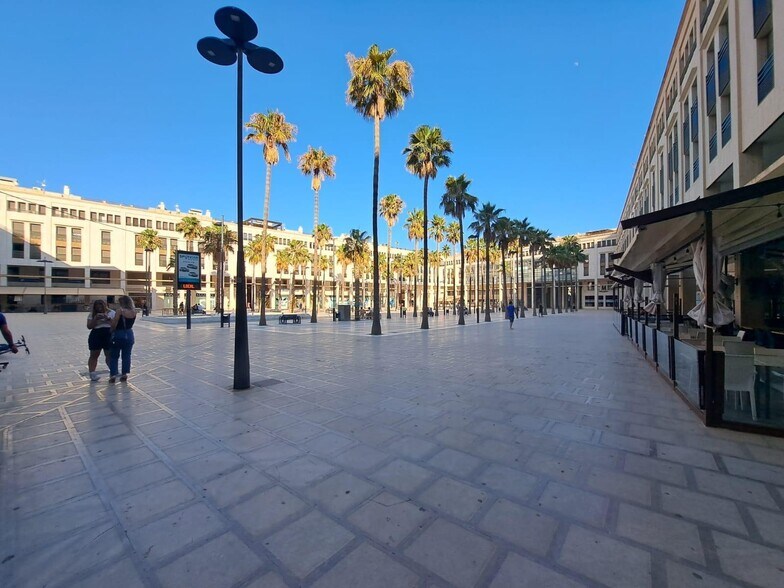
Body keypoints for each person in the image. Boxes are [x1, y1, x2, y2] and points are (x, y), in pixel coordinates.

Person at [109, 295, 136, 383]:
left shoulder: (120, 311)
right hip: (129, 334)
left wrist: (111, 329)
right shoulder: (134, 311)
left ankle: (113, 374)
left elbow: (115, 323)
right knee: (127, 355)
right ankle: (124, 374)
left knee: (114, 355)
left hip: (119, 333)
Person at [86, 299, 115, 381]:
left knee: (109, 354)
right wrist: (95, 319)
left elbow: (115, 325)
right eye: (97, 307)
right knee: (94, 354)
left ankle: (113, 371)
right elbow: (89, 326)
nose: (99, 309)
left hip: (108, 334)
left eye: (101, 307)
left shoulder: (112, 313)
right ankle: (92, 373)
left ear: (105, 306)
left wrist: (108, 318)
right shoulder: (92, 314)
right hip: (96, 334)